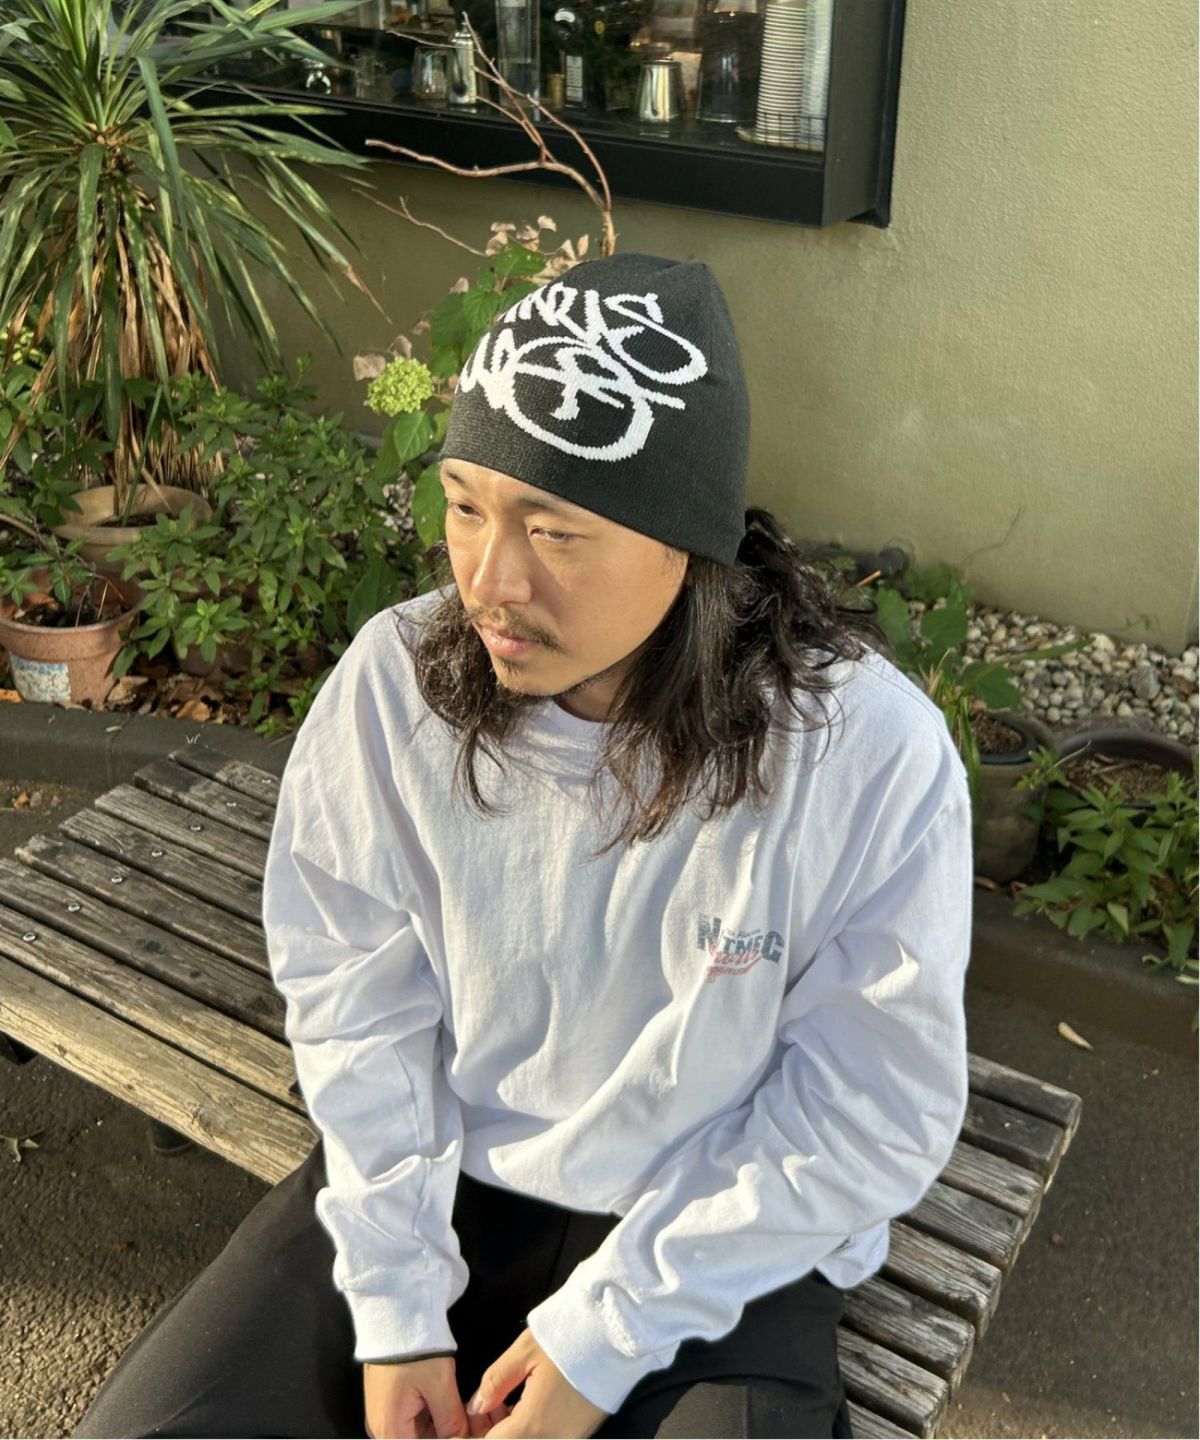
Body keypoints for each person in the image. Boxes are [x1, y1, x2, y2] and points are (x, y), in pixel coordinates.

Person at [71, 252, 974, 1440]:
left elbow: (869, 1103)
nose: (490, 582)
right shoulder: (397, 687)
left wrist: (604, 1338)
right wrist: (397, 1309)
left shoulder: (856, 750)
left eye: (555, 529)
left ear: (687, 540)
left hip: (718, 1229)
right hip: (437, 1185)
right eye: (464, 506)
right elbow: (355, 999)